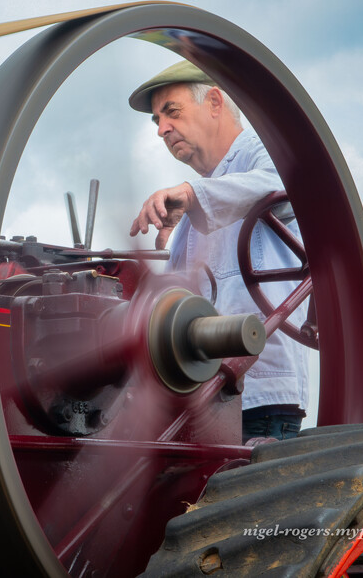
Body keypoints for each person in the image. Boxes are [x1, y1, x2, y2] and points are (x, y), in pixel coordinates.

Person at [127, 60, 308, 442]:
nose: (161, 129)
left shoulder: (264, 151)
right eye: (157, 120)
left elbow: (290, 186)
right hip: (205, 399)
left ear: (214, 102)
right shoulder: (197, 203)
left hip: (259, 400)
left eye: (171, 112)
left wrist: (193, 196)